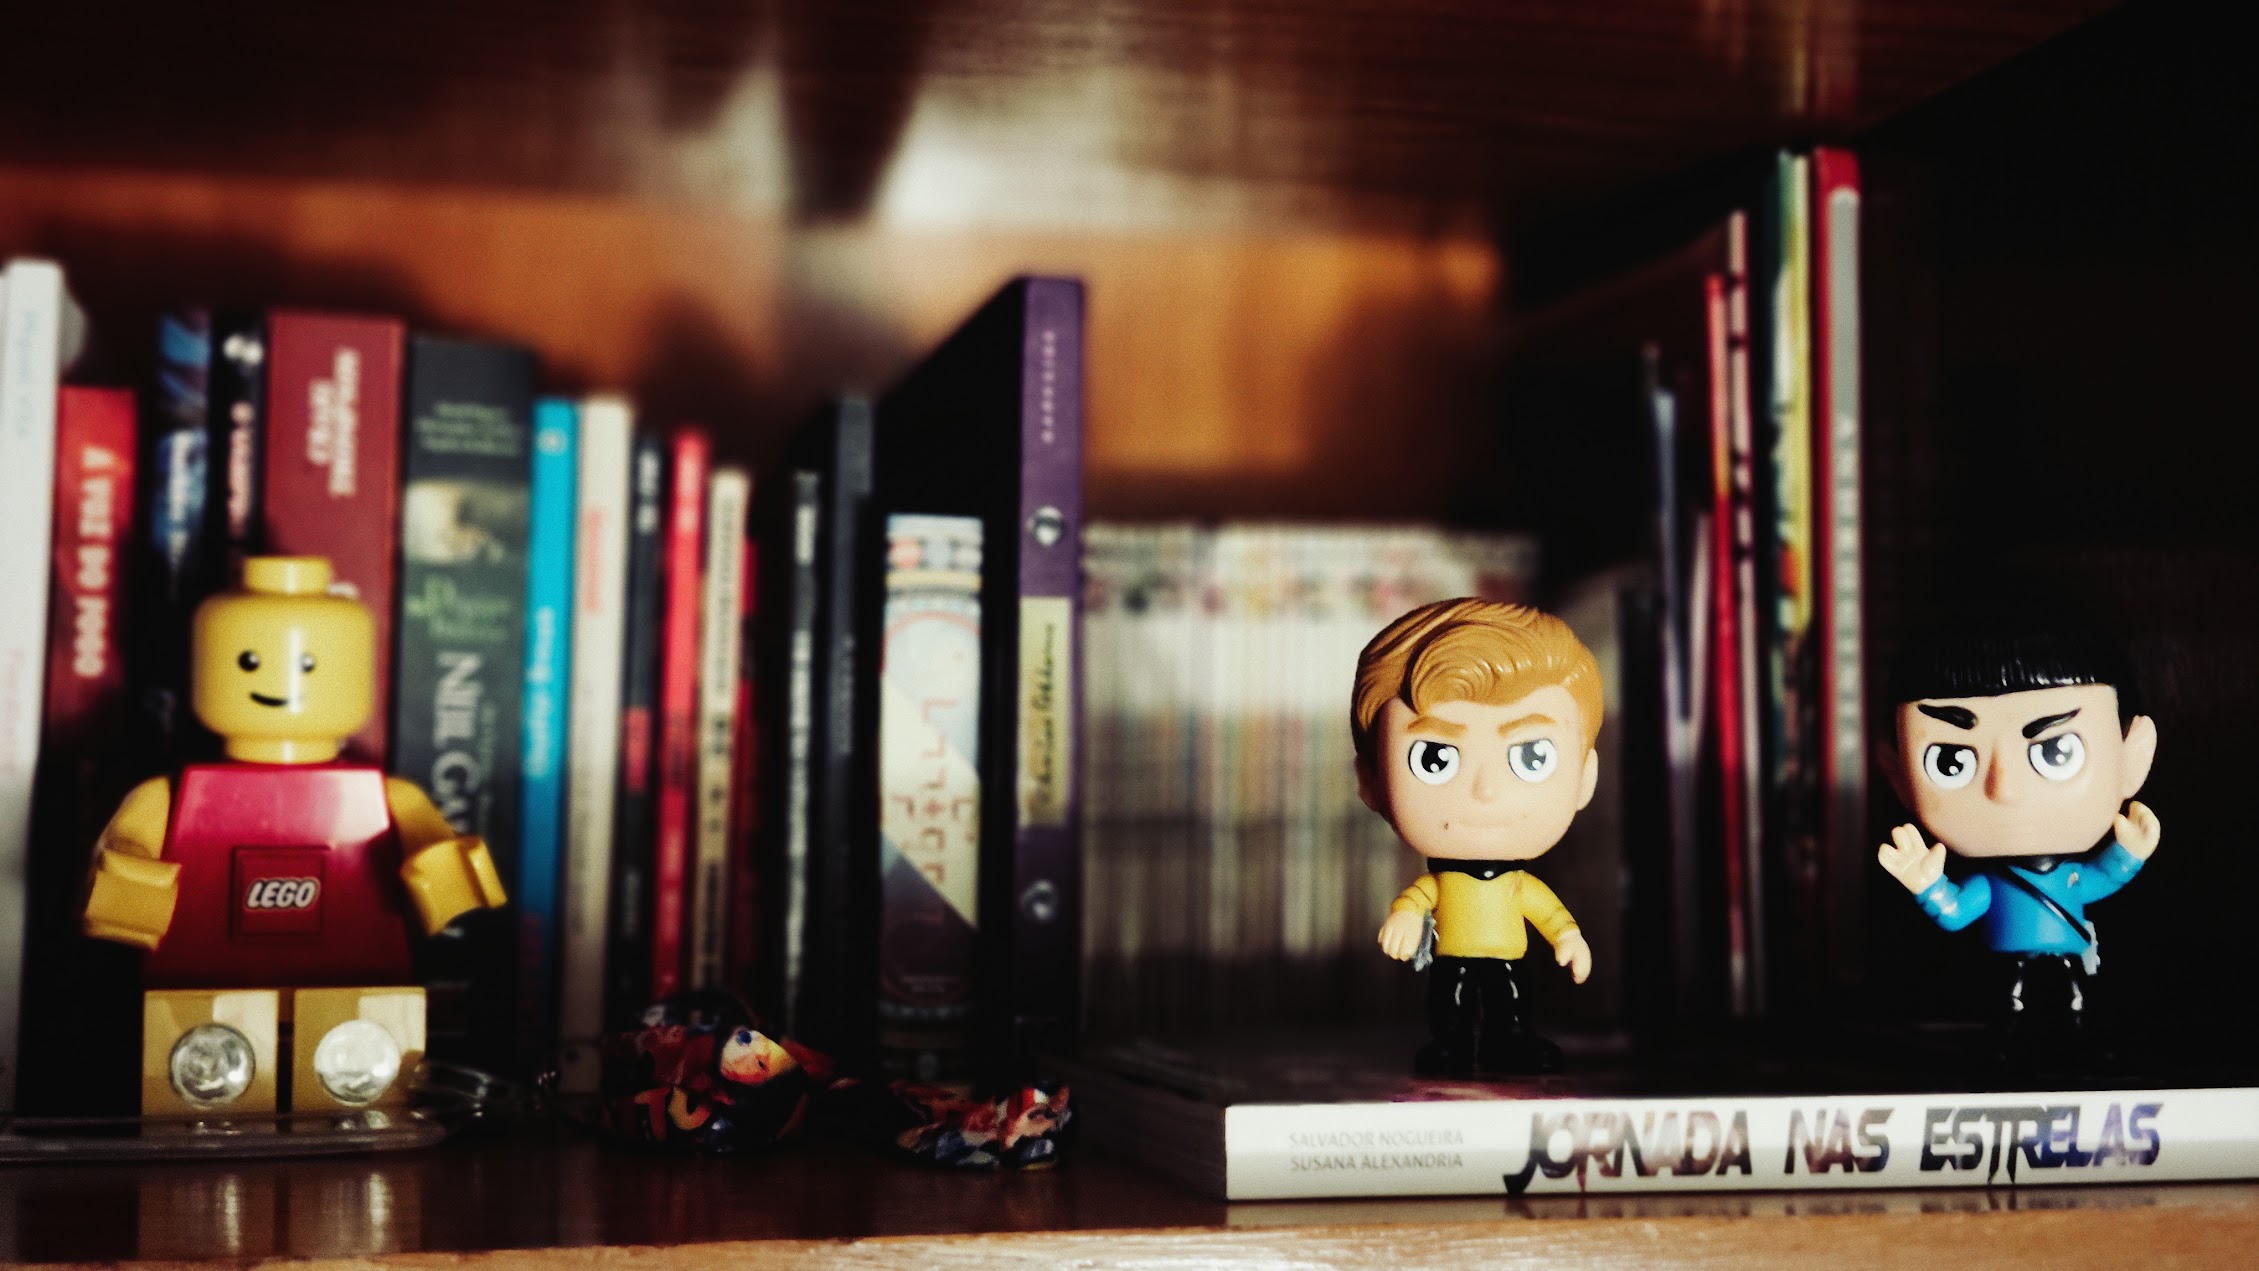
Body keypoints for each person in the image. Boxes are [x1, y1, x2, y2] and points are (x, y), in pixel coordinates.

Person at [1874, 624, 2161, 1068]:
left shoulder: (2064, 876)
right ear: (1898, 775)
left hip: (2068, 950)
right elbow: (1956, 913)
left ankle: (2076, 1037)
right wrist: (1927, 885)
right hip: (2006, 960)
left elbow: (2102, 878)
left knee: (2076, 997)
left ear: (2132, 758)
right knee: (2009, 999)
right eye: (1951, 761)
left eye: (2056, 751)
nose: (2003, 789)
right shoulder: (1993, 883)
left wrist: (2131, 853)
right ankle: (2007, 1044)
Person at [1357, 598, 1602, 1076]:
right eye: (1435, 759)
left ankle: (1510, 1041)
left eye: (1532, 757)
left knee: (1511, 998)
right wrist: (1405, 915)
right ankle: (1450, 1044)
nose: (1485, 790)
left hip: (1508, 957)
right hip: (1453, 956)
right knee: (1449, 1001)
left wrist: (1568, 936)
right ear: (1372, 781)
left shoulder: (1518, 885)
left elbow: (1546, 910)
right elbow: (1419, 897)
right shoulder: (1441, 883)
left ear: (1584, 778)